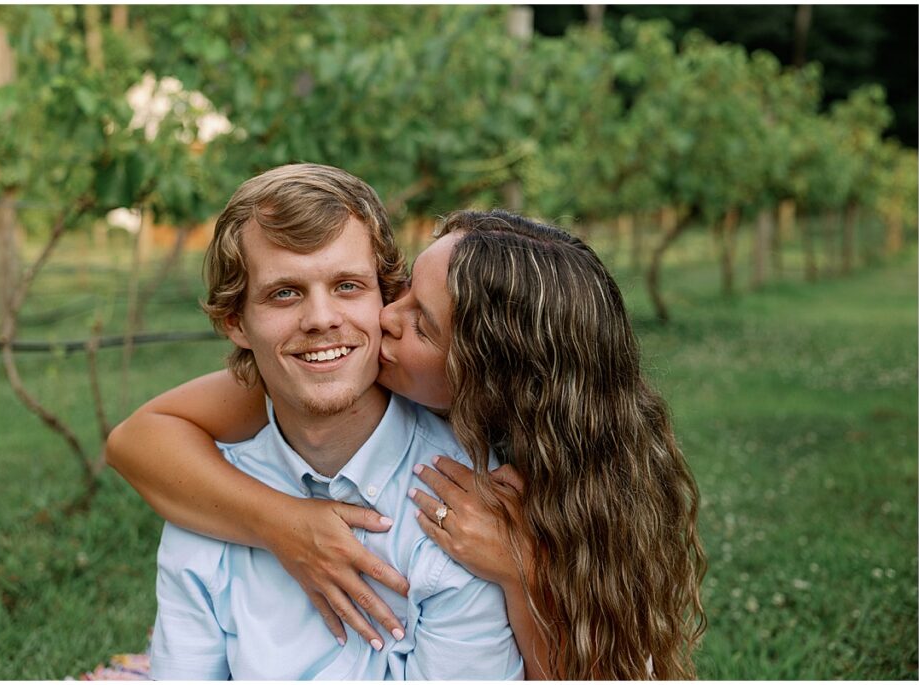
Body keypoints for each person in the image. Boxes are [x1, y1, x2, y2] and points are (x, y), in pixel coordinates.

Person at [109, 203, 706, 679]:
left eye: (422, 323)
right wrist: (285, 523)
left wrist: (523, 574)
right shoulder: (309, 375)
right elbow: (137, 441)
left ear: (485, 378)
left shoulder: (540, 490)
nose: (384, 319)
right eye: (401, 292)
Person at [142, 164, 523, 679]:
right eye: (285, 293)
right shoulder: (206, 505)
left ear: (385, 301)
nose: (320, 319)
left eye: (347, 285)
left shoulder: (464, 508)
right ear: (236, 322)